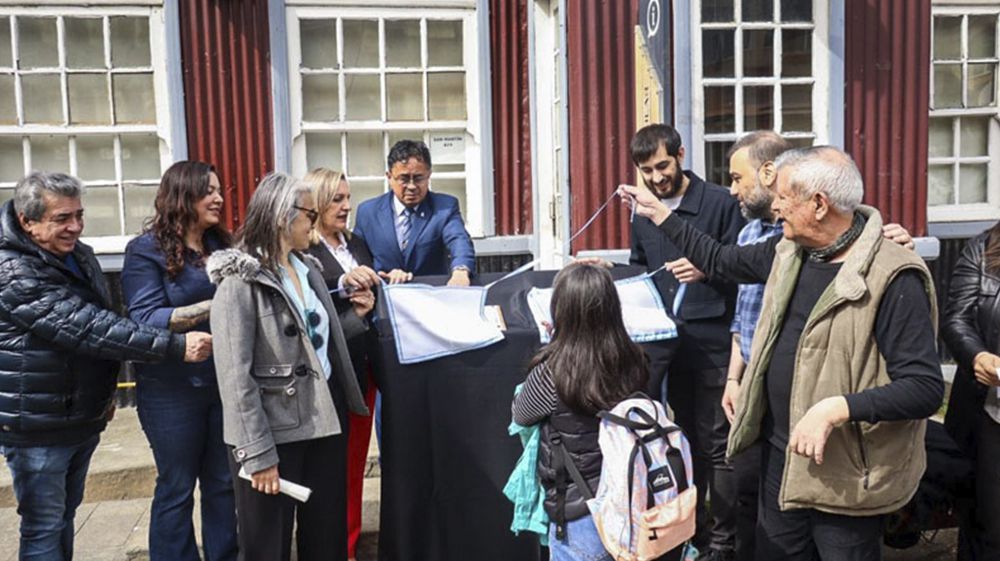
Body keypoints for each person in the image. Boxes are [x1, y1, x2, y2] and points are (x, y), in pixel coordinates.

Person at [620, 145, 944, 559]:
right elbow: (719, 260)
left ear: (820, 204)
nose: (774, 206)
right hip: (781, 460)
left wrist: (835, 409)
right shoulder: (788, 252)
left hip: (843, 475)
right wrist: (660, 213)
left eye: (784, 197)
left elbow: (924, 387)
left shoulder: (891, 276)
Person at [0, 172, 212, 561]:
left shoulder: (77, 254)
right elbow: (90, 329)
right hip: (36, 423)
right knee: (44, 526)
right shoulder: (12, 270)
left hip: (76, 414)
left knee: (64, 516)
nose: (75, 226)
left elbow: (101, 320)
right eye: (62, 218)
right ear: (27, 221)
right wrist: (175, 346)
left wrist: (104, 395)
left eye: (79, 215)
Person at [206, 172, 372, 561]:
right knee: (267, 545)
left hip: (323, 422)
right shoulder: (238, 282)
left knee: (327, 538)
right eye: (311, 216)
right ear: (283, 216)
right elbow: (235, 378)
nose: (315, 226)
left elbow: (313, 342)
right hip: (273, 433)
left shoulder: (307, 267)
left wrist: (356, 317)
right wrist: (257, 454)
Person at [628, 123, 744, 561]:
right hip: (666, 345)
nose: (657, 178)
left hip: (715, 344)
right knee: (684, 443)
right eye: (647, 171)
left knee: (719, 446)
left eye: (662, 166)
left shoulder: (719, 202)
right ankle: (692, 532)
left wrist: (707, 269)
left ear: (679, 154)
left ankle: (723, 542)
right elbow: (640, 267)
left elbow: (749, 268)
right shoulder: (643, 209)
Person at [120, 161, 238, 561]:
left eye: (220, 190)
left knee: (223, 483)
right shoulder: (145, 250)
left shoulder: (222, 247)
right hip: (171, 392)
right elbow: (145, 317)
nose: (219, 198)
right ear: (182, 196)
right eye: (209, 191)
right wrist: (215, 304)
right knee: (177, 486)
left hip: (223, 383)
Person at [511, 263, 649, 561]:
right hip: (629, 503)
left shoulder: (551, 371)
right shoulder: (634, 360)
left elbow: (520, 415)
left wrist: (552, 345)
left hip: (579, 512)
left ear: (561, 311)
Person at [302, 168, 380, 561]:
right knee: (329, 469)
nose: (347, 206)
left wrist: (373, 298)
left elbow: (370, 303)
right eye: (337, 199)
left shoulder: (358, 244)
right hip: (327, 374)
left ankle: (347, 545)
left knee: (353, 466)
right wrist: (346, 290)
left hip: (364, 369)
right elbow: (307, 311)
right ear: (315, 203)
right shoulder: (304, 251)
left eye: (348, 198)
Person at [720, 131, 791, 561]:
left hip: (781, 391)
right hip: (745, 388)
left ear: (768, 172)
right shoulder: (748, 234)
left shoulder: (799, 238)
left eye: (736, 177)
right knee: (744, 491)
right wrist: (733, 377)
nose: (732, 190)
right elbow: (741, 314)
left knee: (780, 501)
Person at [942, 221, 1000, 559]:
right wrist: (976, 355)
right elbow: (956, 319)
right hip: (990, 412)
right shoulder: (983, 249)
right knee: (989, 526)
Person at [353, 139, 475, 286]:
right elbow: (358, 260)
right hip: (384, 297)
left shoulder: (445, 208)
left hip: (430, 297)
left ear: (429, 175)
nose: (412, 186)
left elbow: (459, 240)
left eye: (418, 178)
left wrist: (461, 272)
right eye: (404, 179)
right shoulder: (368, 212)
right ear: (389, 177)